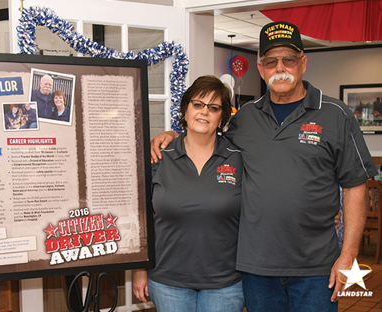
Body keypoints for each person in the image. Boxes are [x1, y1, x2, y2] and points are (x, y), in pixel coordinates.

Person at [150, 21, 377, 311]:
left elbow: (355, 184)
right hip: (256, 269)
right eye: (271, 61)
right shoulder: (244, 119)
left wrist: (349, 255)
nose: (280, 67)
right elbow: (205, 137)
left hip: (317, 267)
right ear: (261, 69)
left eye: (289, 59)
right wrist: (172, 137)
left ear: (303, 63)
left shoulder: (336, 114)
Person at [133, 76, 244, 311]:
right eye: (197, 104)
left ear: (222, 116)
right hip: (167, 280)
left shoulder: (239, 157)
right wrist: (139, 269)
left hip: (225, 283)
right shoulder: (159, 156)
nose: (204, 112)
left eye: (214, 108)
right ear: (185, 109)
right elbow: (141, 217)